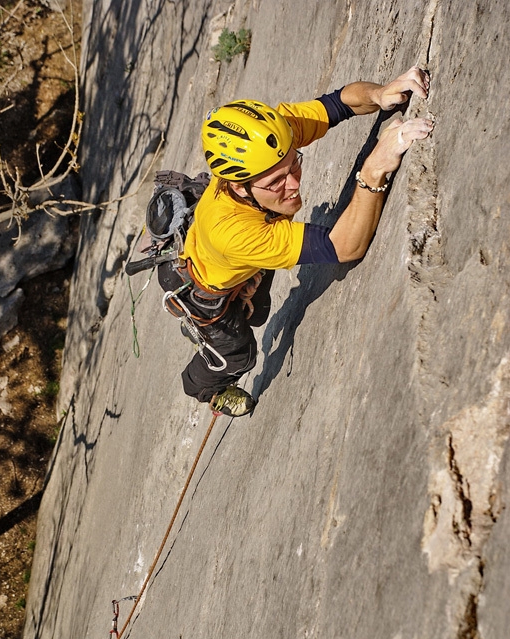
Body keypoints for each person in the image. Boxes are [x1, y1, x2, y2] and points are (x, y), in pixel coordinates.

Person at [163, 66, 433, 417]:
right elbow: (345, 247)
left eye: (295, 165)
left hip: (236, 260)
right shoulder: (232, 231)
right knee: (239, 352)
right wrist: (374, 169)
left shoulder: (273, 144)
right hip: (206, 291)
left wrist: (378, 94)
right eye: (277, 182)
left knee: (258, 311)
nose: (293, 184)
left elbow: (336, 104)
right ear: (239, 186)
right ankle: (204, 390)